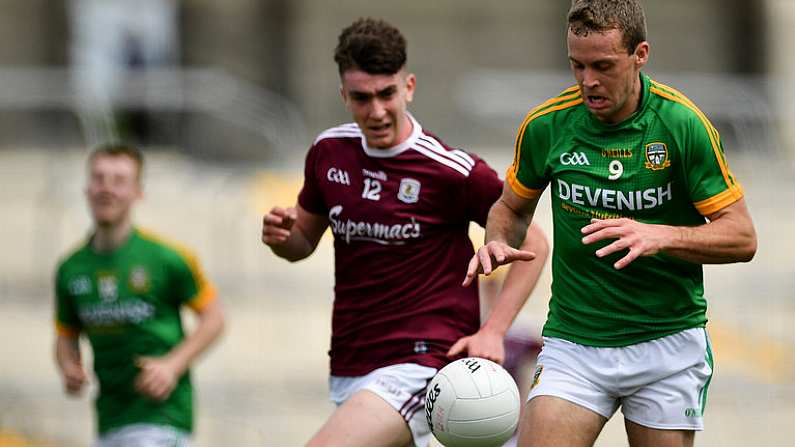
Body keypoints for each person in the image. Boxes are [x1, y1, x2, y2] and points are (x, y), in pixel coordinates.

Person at [464, 1, 758, 446]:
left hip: (667, 344)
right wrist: (498, 240)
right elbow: (510, 208)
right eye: (577, 66)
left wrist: (659, 235)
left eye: (603, 66)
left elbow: (742, 236)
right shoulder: (547, 125)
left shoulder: (681, 125)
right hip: (574, 342)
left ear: (640, 54)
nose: (588, 81)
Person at [261, 17, 548, 447]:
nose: (376, 111)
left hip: (425, 361)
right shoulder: (328, 153)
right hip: (352, 361)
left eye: (386, 94)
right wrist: (283, 239)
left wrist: (494, 331)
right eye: (361, 98)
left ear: (408, 87)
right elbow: (302, 243)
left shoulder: (452, 171)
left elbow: (536, 243)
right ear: (344, 95)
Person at [54, 143, 224, 446]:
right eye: (99, 178)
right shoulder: (71, 269)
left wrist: (173, 365)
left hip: (162, 416)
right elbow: (66, 335)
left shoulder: (167, 258)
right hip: (108, 418)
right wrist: (68, 366)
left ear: (138, 192)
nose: (107, 189)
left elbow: (215, 319)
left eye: (119, 181)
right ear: (86, 188)